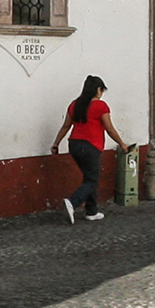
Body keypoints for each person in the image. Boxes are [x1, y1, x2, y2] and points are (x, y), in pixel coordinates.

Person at [49, 75, 127, 223]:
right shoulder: (100, 106)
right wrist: (122, 144)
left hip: (74, 144)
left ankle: (92, 211)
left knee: (89, 177)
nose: (101, 94)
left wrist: (56, 144)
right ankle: (72, 202)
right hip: (91, 146)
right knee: (92, 180)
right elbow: (109, 128)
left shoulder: (74, 105)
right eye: (101, 90)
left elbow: (66, 126)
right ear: (98, 90)